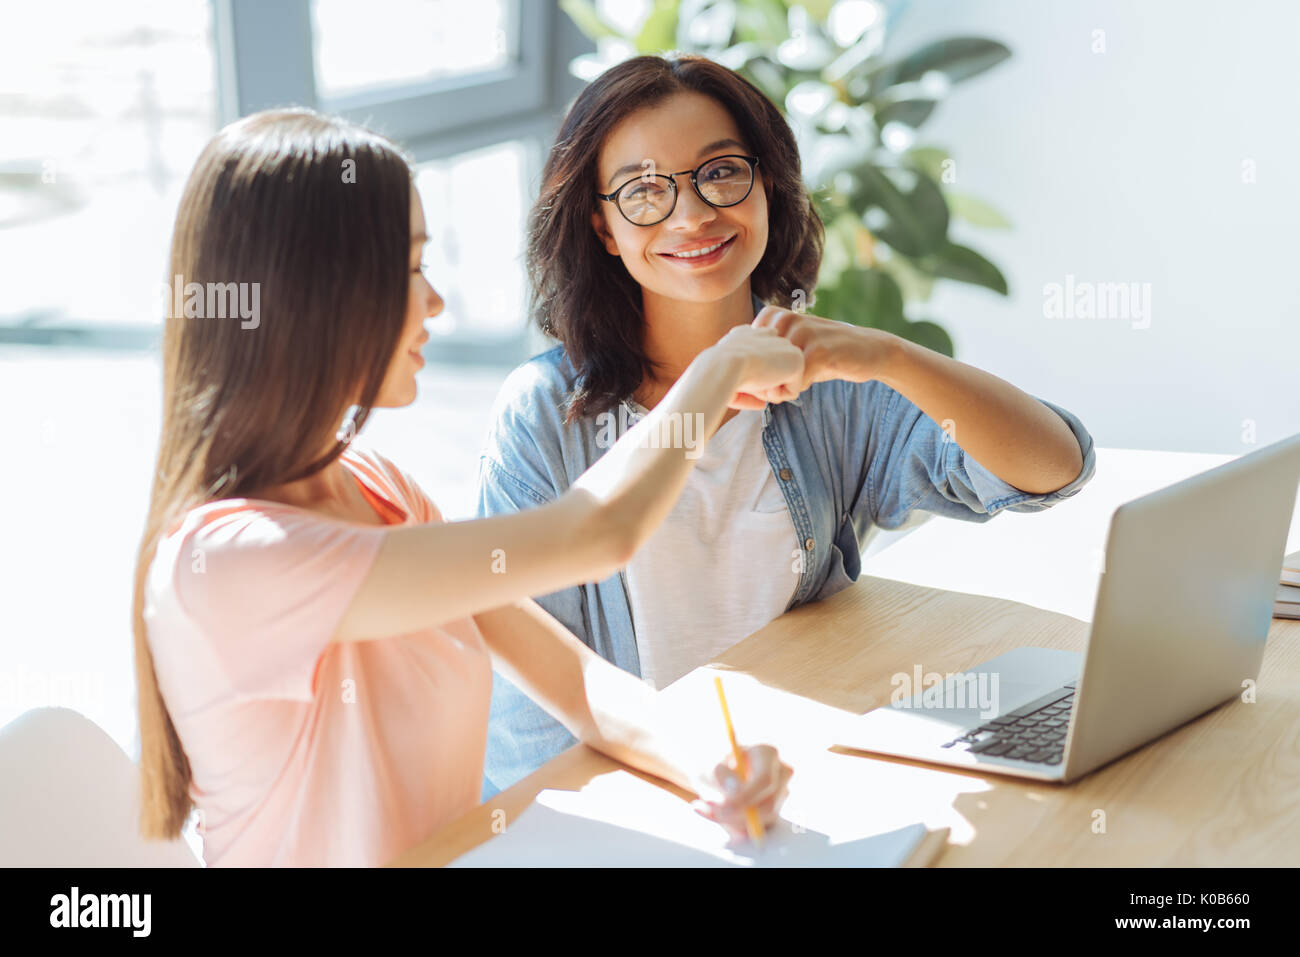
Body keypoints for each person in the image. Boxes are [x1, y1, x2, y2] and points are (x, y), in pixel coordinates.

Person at [132, 108, 800, 867]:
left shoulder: (378, 492)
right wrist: (717, 372)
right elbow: (596, 534)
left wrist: (707, 759)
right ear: (313, 294)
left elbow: (576, 680)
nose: (436, 303)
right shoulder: (228, 562)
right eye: (411, 270)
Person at [477, 54, 1097, 796]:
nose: (693, 213)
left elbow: (1050, 468)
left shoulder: (827, 383)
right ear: (603, 228)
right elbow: (530, 712)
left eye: (721, 171)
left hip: (810, 774)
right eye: (644, 190)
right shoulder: (542, 415)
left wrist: (893, 356)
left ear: (767, 181)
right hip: (649, 799)